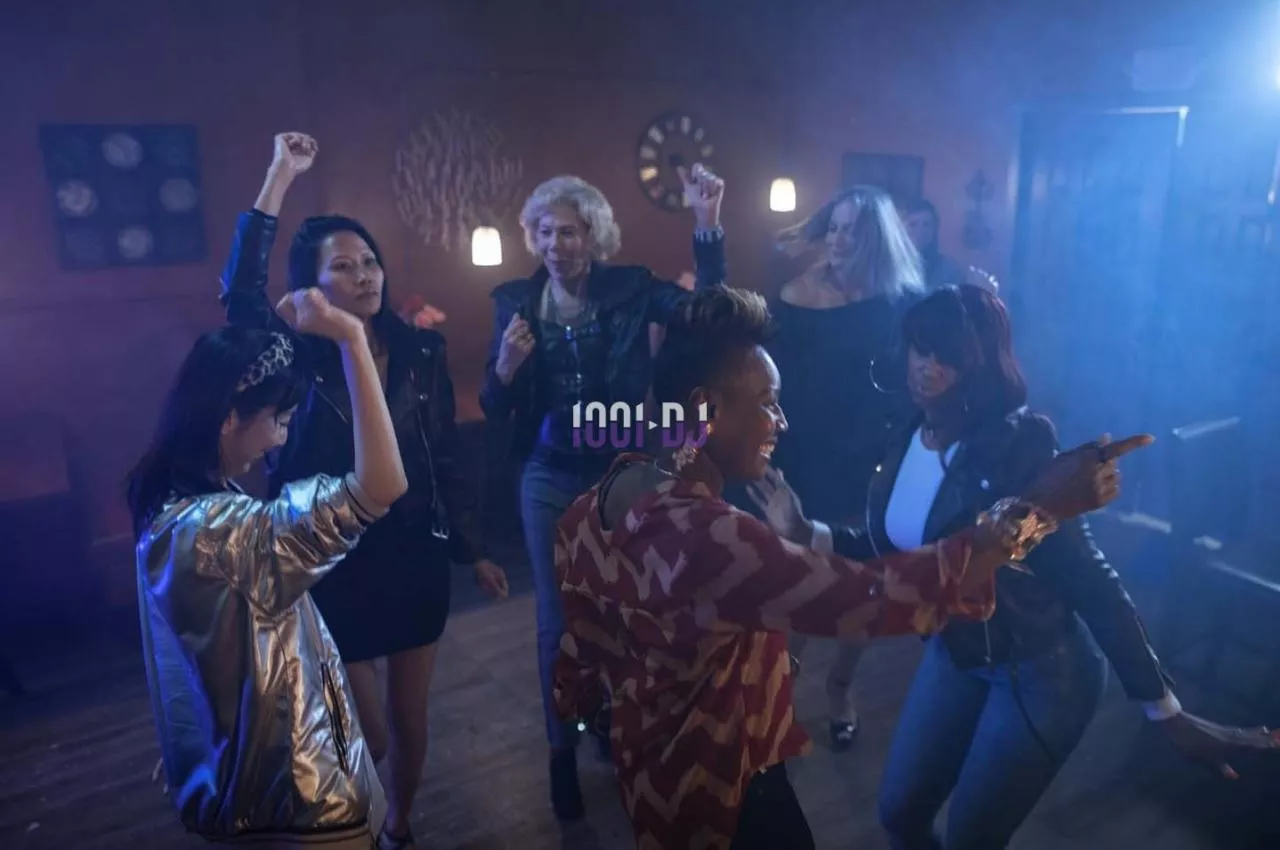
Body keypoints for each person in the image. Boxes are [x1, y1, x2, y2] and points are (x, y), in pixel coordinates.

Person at [553, 285, 1148, 850]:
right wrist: (1038, 511)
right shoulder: (715, 538)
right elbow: (871, 598)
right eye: (768, 403)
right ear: (704, 410)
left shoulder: (593, 506)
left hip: (650, 783)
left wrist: (606, 713)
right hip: (731, 794)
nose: (781, 422)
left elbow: (578, 653)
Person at [751, 284, 1280, 850]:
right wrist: (807, 531)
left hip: (1041, 669)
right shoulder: (908, 429)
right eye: (921, 348)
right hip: (959, 650)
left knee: (971, 839)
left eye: (948, 356)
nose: (928, 367)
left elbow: (1090, 578)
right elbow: (899, 547)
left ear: (981, 365)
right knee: (900, 813)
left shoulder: (1019, 445)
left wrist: (1165, 709)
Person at [221, 133, 508, 850]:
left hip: (412, 549)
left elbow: (443, 454)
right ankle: (359, 817)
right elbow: (240, 300)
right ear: (314, 285)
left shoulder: (420, 348)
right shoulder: (297, 353)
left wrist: (474, 547)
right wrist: (279, 176)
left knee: (411, 719)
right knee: (367, 729)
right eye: (343, 267)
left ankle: (398, 827)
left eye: (370, 261)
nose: (364, 275)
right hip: (330, 557)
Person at [481, 165, 725, 818]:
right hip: (548, 475)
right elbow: (493, 401)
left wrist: (706, 223)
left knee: (623, 613)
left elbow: (707, 315)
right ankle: (560, 752)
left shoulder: (632, 288)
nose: (555, 244)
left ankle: (612, 726)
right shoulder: (515, 302)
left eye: (568, 232)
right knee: (557, 622)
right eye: (544, 232)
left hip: (619, 473)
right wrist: (505, 367)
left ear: (593, 237)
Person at [130, 289, 407, 849]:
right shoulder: (221, 532)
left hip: (246, 781)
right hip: (298, 796)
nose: (280, 437)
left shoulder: (171, 508)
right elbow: (381, 486)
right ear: (230, 417)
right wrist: (352, 337)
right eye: (278, 419)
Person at [764, 184, 925, 750]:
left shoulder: (901, 302)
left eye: (851, 230)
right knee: (797, 582)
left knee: (859, 585)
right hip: (803, 454)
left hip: (867, 458)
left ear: (875, 238)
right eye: (832, 227)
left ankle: (839, 687)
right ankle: (780, 696)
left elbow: (918, 379)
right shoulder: (794, 294)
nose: (837, 239)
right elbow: (768, 376)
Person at [900, 197, 997, 293]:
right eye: (913, 224)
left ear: (934, 229)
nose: (920, 231)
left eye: (926, 224)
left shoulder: (947, 269)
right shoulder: (894, 266)